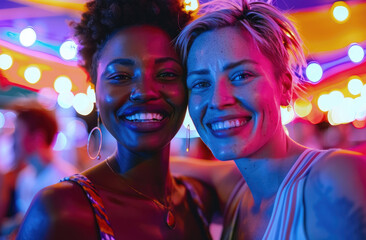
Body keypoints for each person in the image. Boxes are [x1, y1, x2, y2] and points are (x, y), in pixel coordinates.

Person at [16, 0, 226, 239]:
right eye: (121, 76)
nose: (145, 91)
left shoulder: (199, 200)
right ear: (96, 89)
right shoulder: (62, 210)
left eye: (167, 74)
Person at [175, 0, 366, 239]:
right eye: (201, 83)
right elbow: (154, 168)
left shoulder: (335, 176)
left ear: (284, 86)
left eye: (241, 75)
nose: (218, 100)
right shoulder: (234, 185)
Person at [0, 99, 77, 237]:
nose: (12, 140)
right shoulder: (25, 177)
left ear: (37, 138)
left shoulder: (65, 181)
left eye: (17, 133)